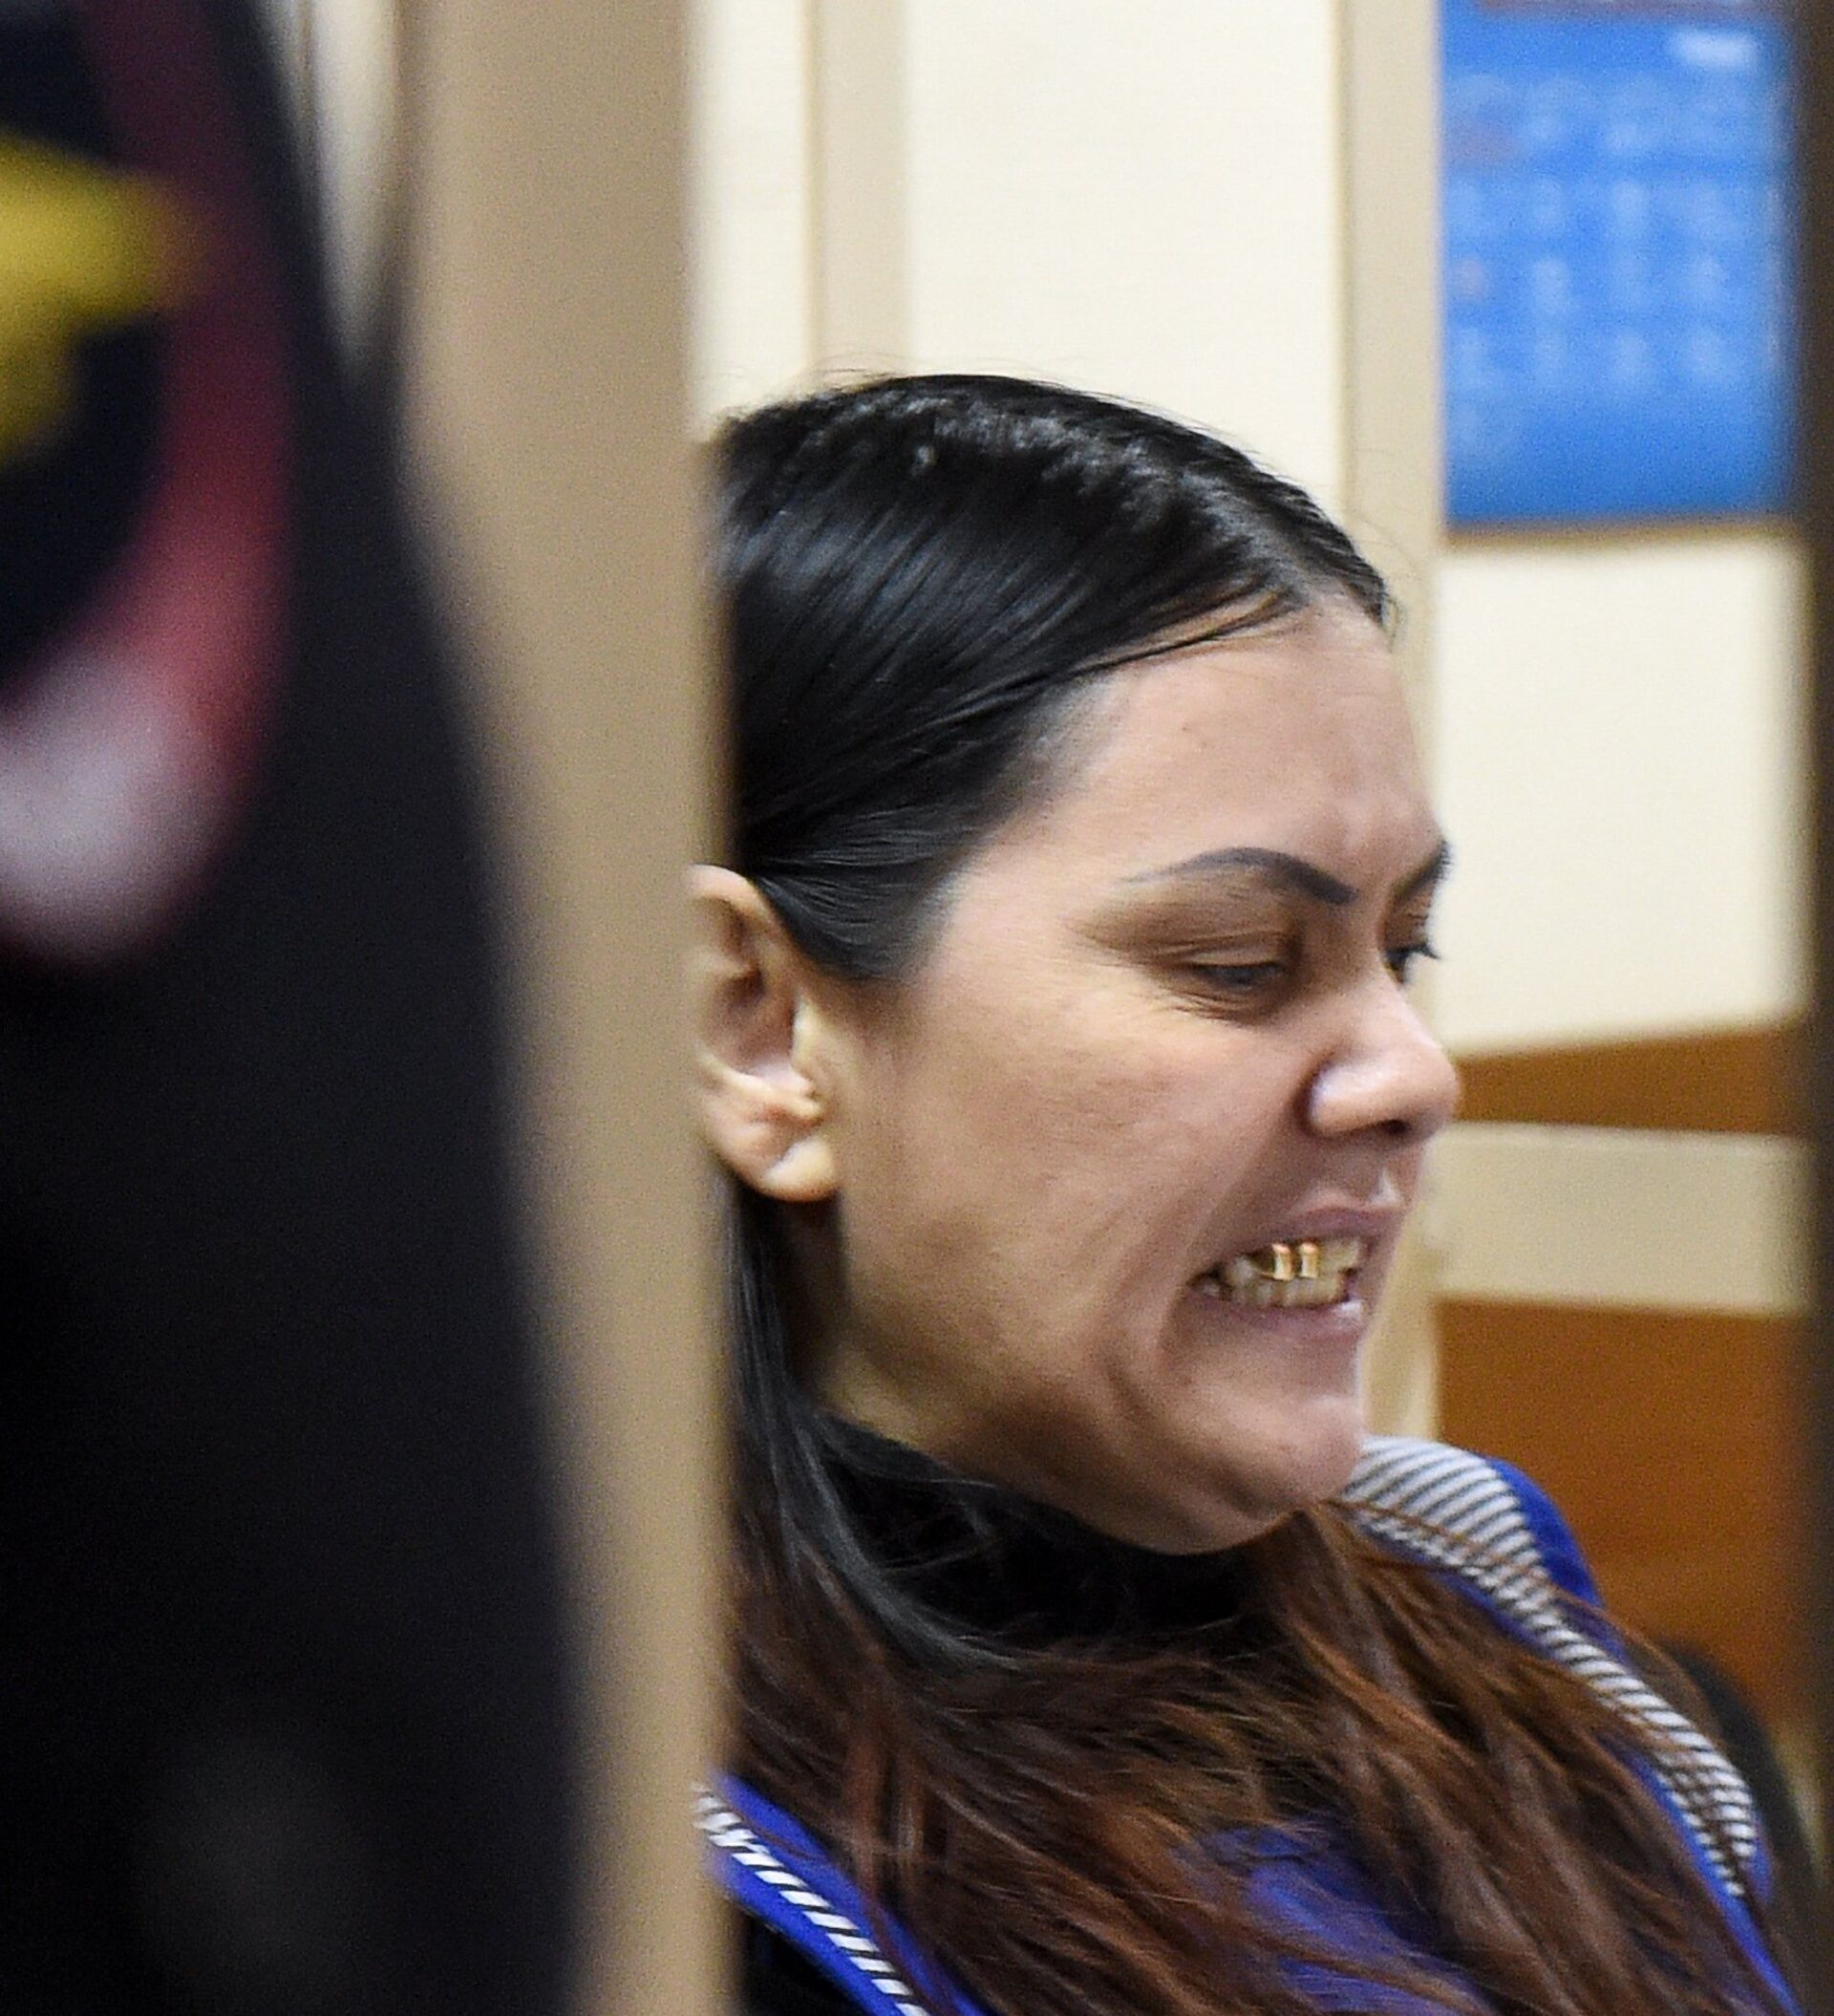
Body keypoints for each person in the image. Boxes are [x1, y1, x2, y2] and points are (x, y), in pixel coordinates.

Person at [689, 375, 1797, 2016]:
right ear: (758, 1029)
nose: (1413, 1072)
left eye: (1402, 947)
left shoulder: (1540, 1650)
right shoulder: (637, 1886)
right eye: (1239, 962)